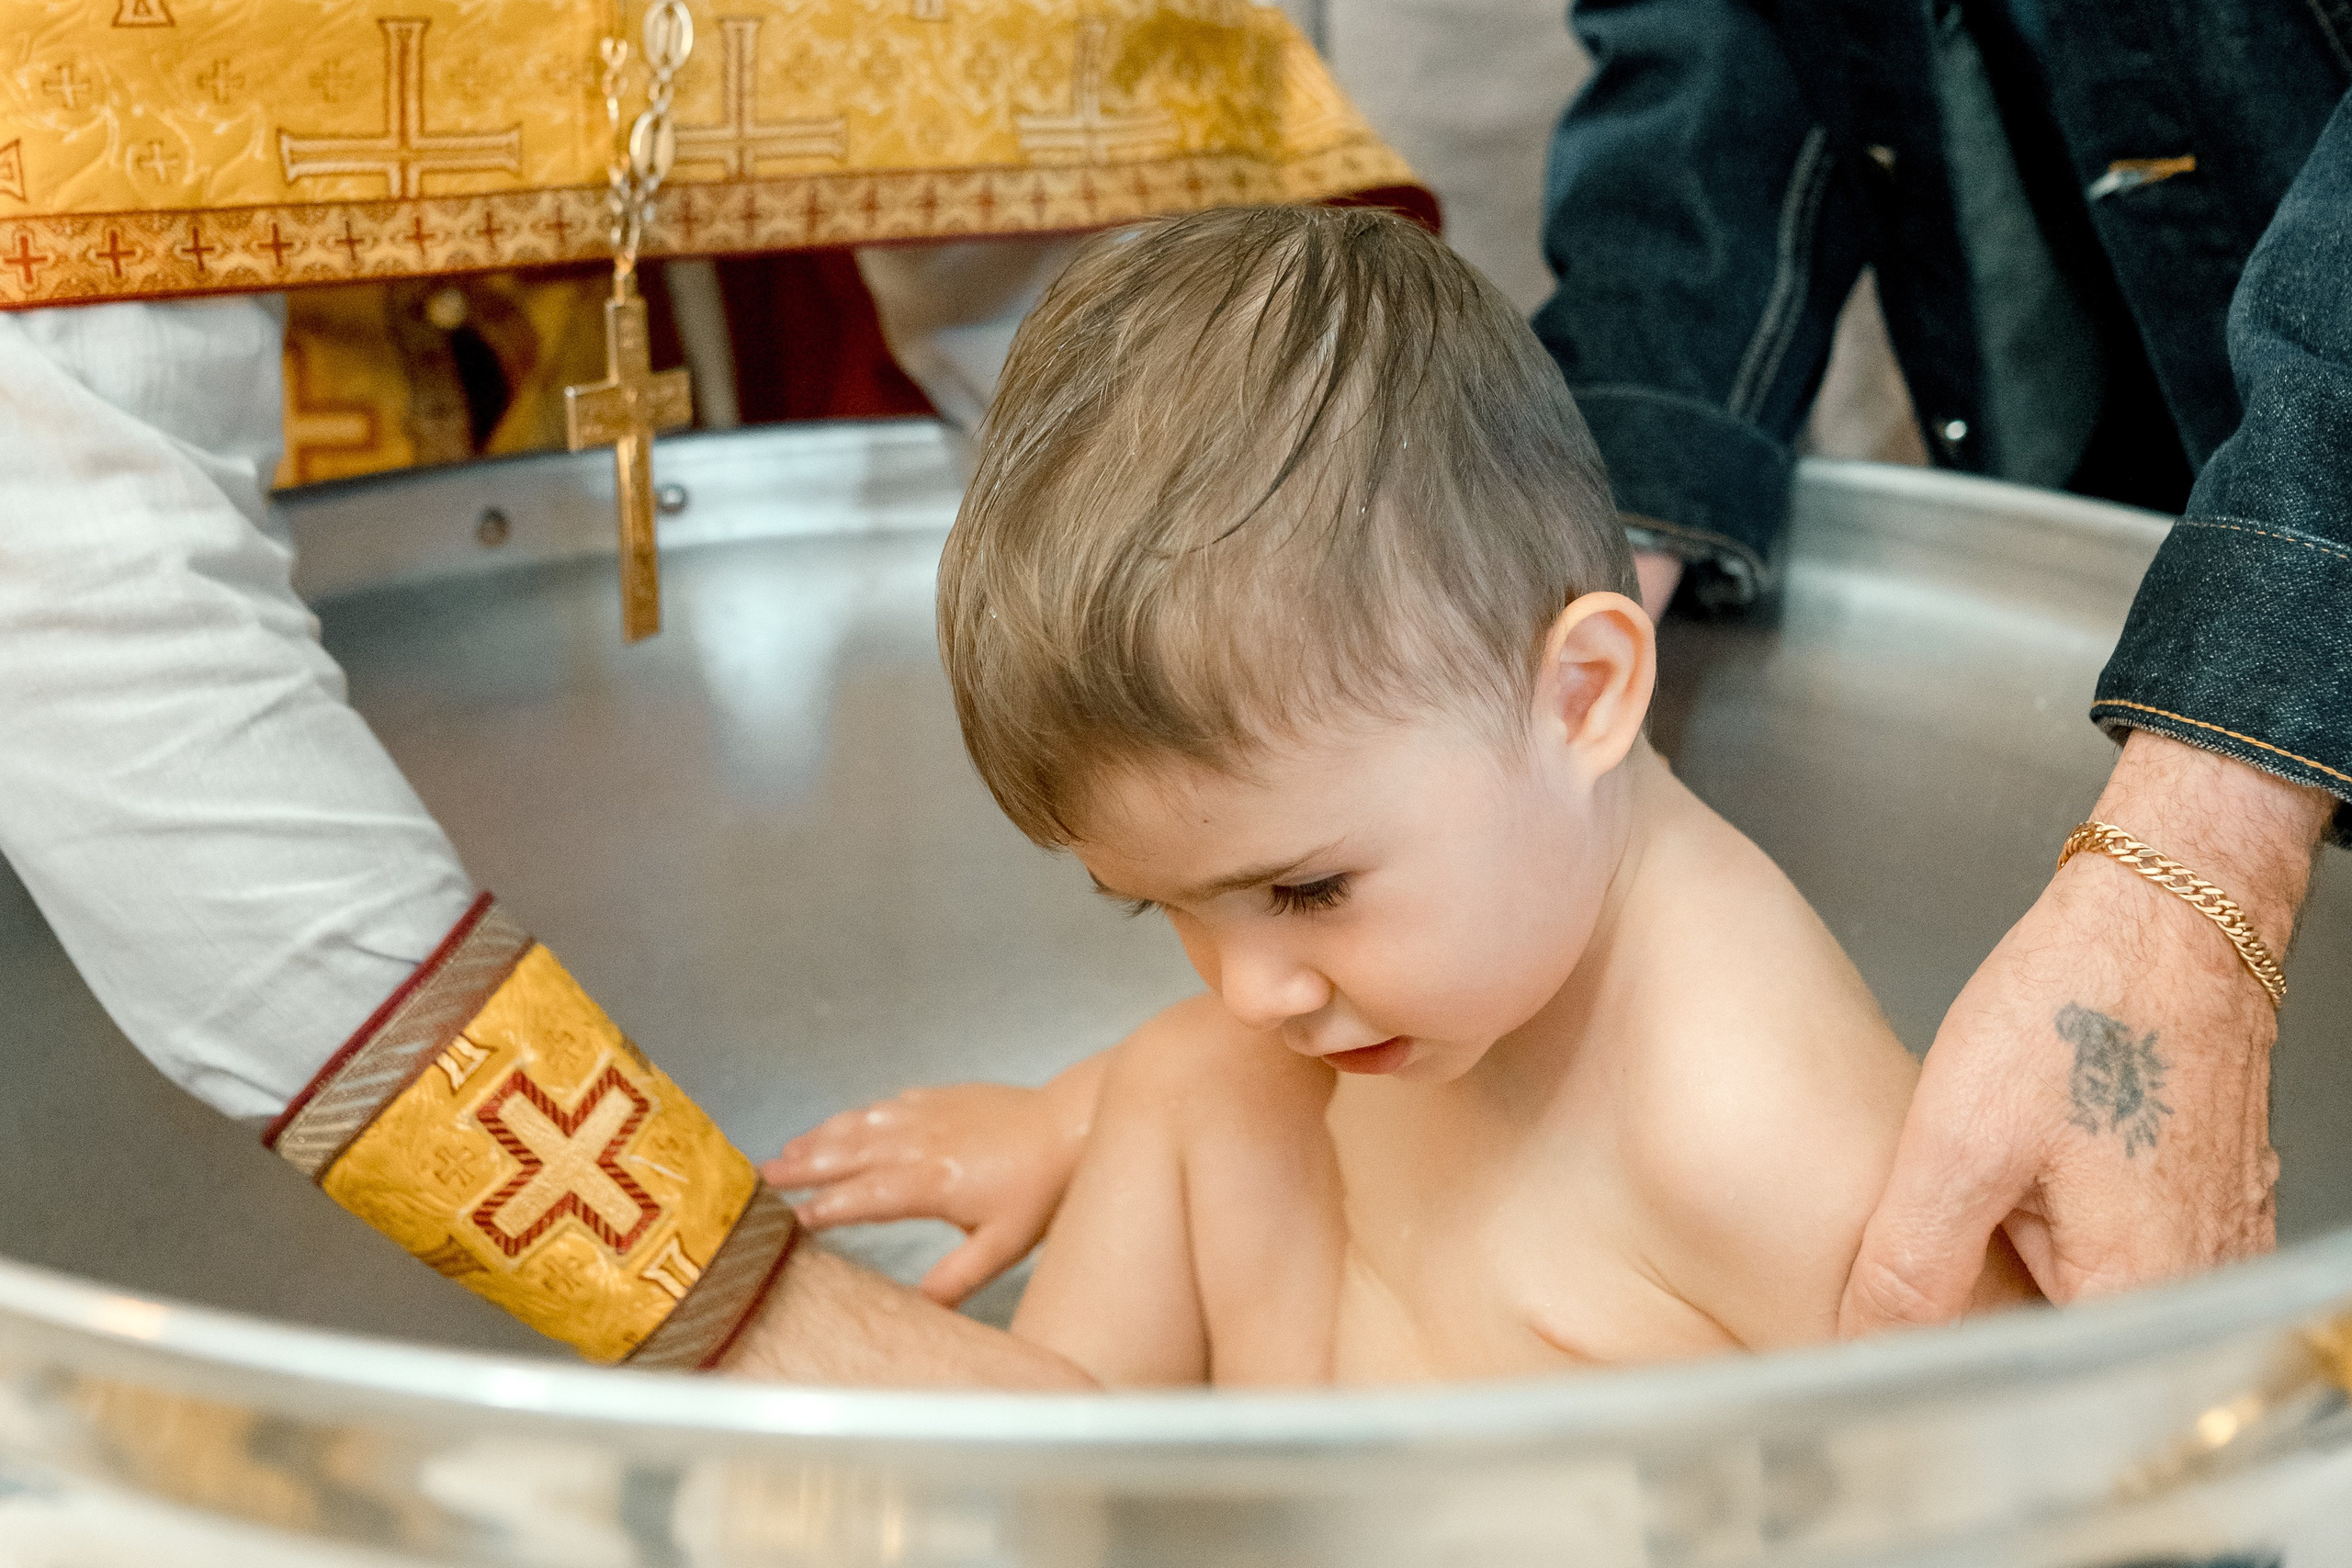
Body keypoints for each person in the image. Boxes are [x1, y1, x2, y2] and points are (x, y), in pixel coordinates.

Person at [764, 204, 2032, 1384]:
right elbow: (1233, 1032)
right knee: (1187, 1074)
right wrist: (1062, 1125)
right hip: (1334, 1465)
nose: (1252, 986)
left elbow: (2045, 1470)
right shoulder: (1435, 956)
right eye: (1168, 911)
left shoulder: (1752, 1127)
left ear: (1586, 694)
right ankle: (1029, 1501)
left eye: (1308, 889)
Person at [1526, 1, 2351, 1328]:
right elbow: (1726, 33)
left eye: (1316, 888)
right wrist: (1596, 520)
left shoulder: (1752, 1127)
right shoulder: (1233, 1075)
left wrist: (2198, 878)